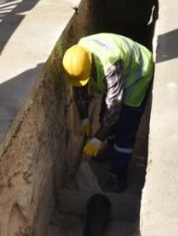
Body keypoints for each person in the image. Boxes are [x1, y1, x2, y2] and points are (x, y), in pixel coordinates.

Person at [62, 33, 154, 194]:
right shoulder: (78, 54)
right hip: (120, 70)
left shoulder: (110, 63)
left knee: (126, 124)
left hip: (138, 72)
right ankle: (112, 151)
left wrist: (97, 138)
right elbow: (79, 88)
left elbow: (114, 108)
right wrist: (84, 119)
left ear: (90, 64)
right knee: (104, 114)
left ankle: (119, 174)